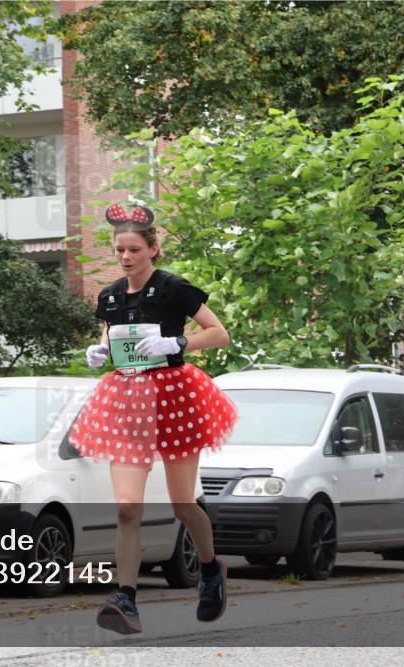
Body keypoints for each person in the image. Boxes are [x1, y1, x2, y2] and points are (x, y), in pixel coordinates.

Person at [69, 203, 238, 635]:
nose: (125, 257)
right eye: (119, 250)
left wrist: (176, 342)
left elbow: (219, 333)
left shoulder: (173, 288)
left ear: (152, 249)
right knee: (128, 508)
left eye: (133, 250)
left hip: (174, 396)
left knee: (183, 505)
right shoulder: (108, 295)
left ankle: (210, 569)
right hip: (125, 399)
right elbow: (110, 333)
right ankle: (125, 597)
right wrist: (101, 349)